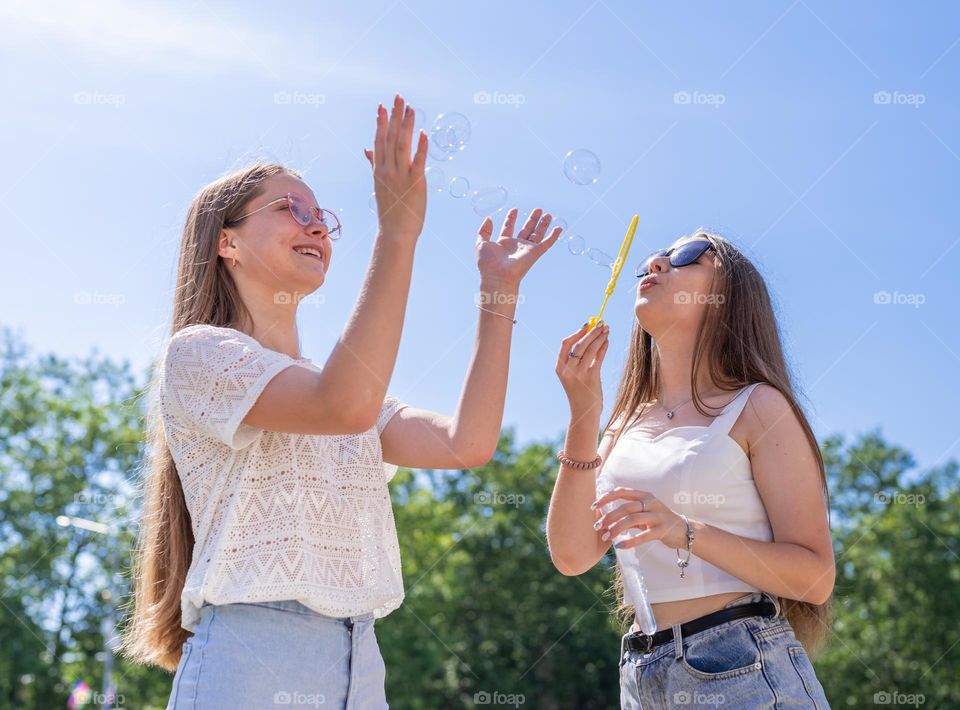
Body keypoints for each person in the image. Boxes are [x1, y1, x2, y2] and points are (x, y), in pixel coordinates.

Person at [120, 94, 563, 709]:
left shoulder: (339, 389)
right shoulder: (198, 354)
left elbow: (467, 443)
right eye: (289, 208)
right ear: (227, 242)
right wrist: (398, 231)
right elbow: (341, 405)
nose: (317, 224)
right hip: (253, 657)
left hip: (360, 660)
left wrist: (498, 295)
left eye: (321, 213)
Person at [546, 232, 834, 708]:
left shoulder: (758, 407)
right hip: (642, 673)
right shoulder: (624, 424)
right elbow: (572, 555)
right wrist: (583, 414)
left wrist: (684, 531)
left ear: (730, 297)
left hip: (741, 665)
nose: (656, 262)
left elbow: (815, 578)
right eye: (652, 259)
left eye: (685, 256)